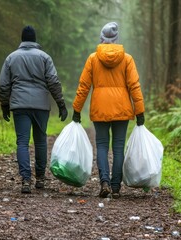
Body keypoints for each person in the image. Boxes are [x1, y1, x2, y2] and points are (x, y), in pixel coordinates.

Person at [72, 22, 145, 199]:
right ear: (116, 38)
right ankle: (115, 187)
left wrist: (76, 109)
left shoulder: (93, 58)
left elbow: (84, 86)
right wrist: (139, 111)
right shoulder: (127, 59)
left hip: (100, 109)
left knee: (102, 146)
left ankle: (104, 182)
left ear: (102, 38)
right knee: (118, 148)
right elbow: (134, 86)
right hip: (122, 109)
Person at [0, 25, 68, 194]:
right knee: (40, 140)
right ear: (35, 40)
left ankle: (26, 180)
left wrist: (5, 105)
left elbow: (3, 84)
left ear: (22, 39)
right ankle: (41, 178)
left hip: (19, 105)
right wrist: (61, 104)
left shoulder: (11, 58)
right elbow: (53, 81)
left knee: (22, 142)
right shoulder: (45, 57)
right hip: (41, 105)